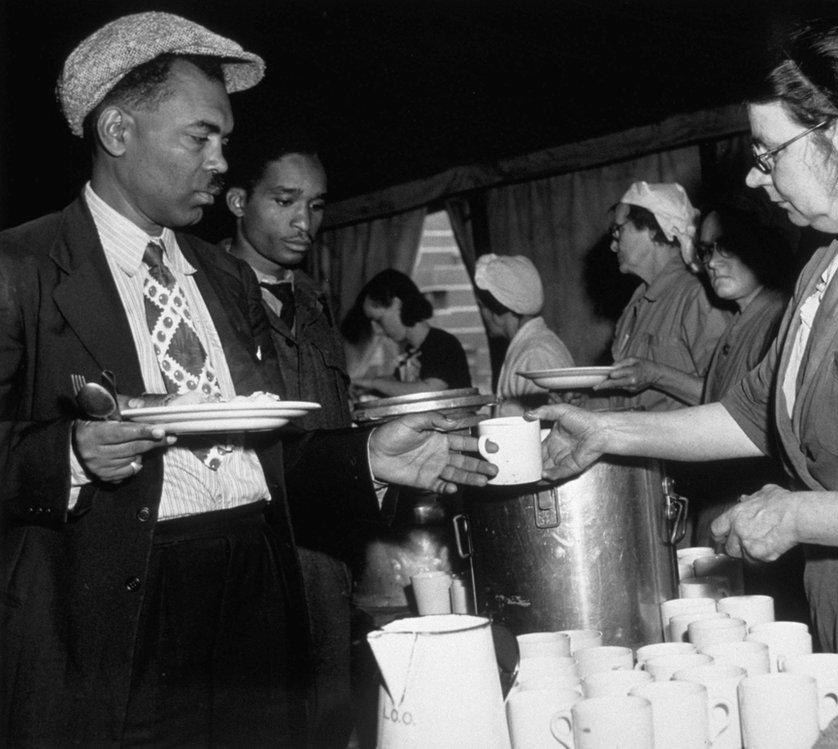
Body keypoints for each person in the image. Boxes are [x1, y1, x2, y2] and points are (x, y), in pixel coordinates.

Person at [0, 13, 494, 745]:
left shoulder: (227, 277)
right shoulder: (24, 269)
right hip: (117, 616)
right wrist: (67, 454)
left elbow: (265, 457)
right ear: (117, 132)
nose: (221, 161)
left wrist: (367, 458)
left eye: (225, 140)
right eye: (200, 137)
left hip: (256, 594)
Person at [530, 19, 838, 743]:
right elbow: (750, 412)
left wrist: (798, 515)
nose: (752, 175)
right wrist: (609, 431)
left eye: (768, 153)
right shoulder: (826, 263)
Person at [222, 125, 356, 746]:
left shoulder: (312, 299)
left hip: (326, 548)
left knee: (331, 714)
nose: (305, 221)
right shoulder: (209, 297)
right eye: (285, 200)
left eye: (317, 204)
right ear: (237, 202)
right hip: (254, 548)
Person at [593, 181, 731, 411]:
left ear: (653, 228)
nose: (613, 246)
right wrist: (584, 400)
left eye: (619, 230)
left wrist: (657, 376)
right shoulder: (635, 305)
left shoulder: (698, 297)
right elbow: (627, 397)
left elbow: (730, 397)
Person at [473, 253, 574, 415]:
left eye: (482, 306)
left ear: (497, 308)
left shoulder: (535, 355)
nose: (482, 314)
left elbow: (544, 425)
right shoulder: (528, 346)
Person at [353, 268, 472, 396]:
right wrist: (371, 389)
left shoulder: (442, 344)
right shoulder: (410, 351)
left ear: (397, 305)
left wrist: (373, 383)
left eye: (379, 320)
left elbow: (431, 390)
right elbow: (402, 387)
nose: (376, 330)